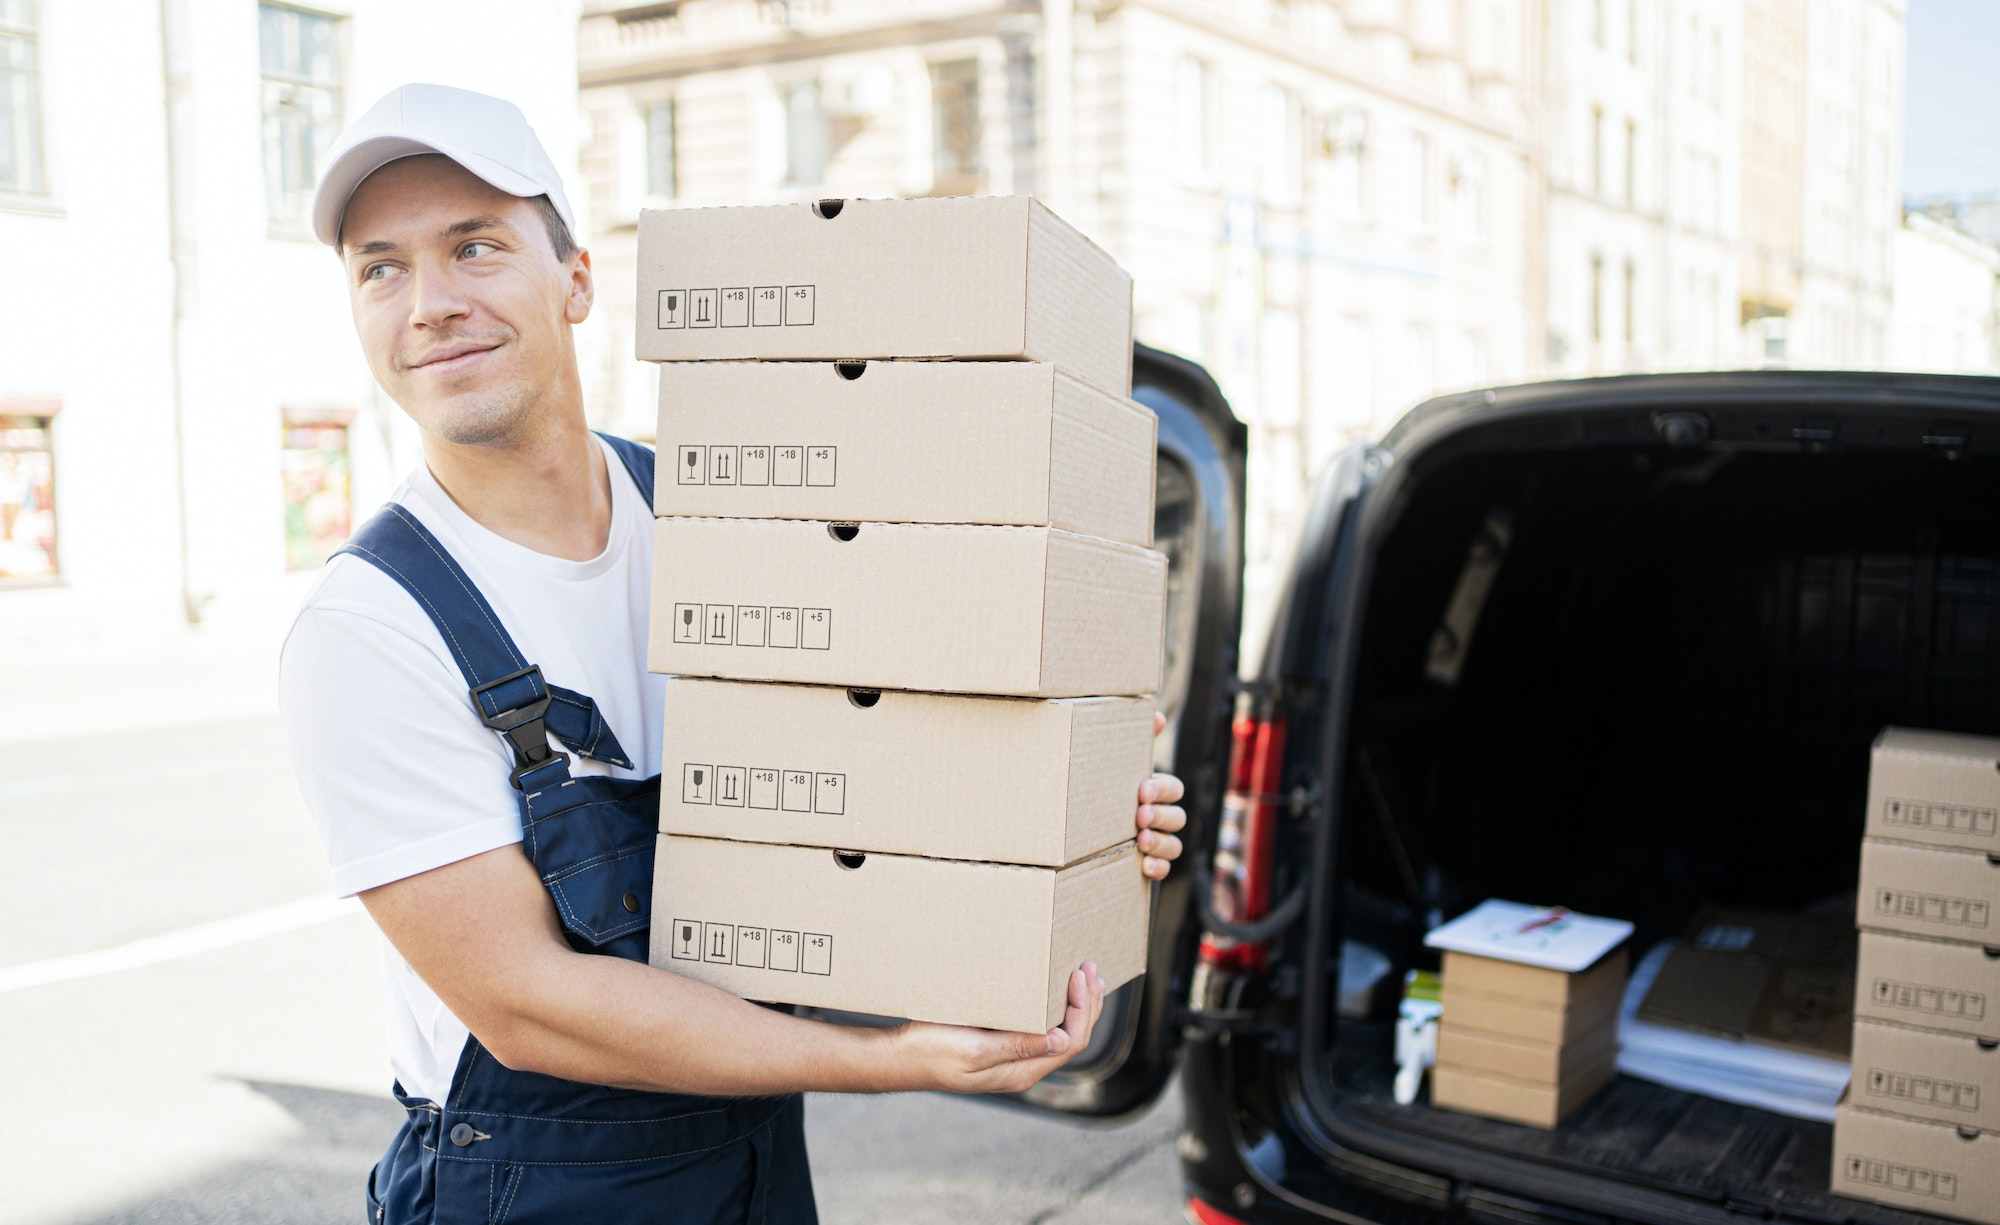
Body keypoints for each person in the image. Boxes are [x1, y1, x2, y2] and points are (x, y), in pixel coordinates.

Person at [278, 84, 1189, 1225]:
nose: (431, 303)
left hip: (750, 1144)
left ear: (576, 282)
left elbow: (882, 773)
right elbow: (528, 1005)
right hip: (526, 1185)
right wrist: (896, 1059)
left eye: (475, 247)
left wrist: (1068, 820)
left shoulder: (732, 518)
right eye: (381, 268)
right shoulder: (372, 630)